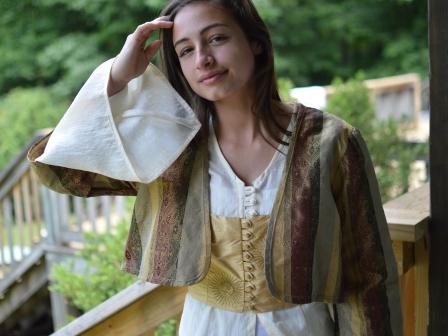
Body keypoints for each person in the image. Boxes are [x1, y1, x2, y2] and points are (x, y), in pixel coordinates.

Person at [28, 0, 403, 335]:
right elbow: (62, 171)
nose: (202, 59)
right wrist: (117, 78)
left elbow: (368, 275)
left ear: (255, 41)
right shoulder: (169, 147)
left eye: (217, 38)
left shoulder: (330, 142)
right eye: (185, 50)